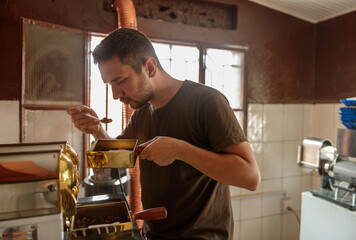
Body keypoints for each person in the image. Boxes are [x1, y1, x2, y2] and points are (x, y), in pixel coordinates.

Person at [67, 28, 261, 240]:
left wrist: (179, 149)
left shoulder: (207, 102)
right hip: (155, 234)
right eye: (110, 84)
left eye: (120, 81)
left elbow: (251, 177)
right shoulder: (142, 111)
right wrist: (96, 130)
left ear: (149, 67)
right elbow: (121, 156)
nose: (115, 95)